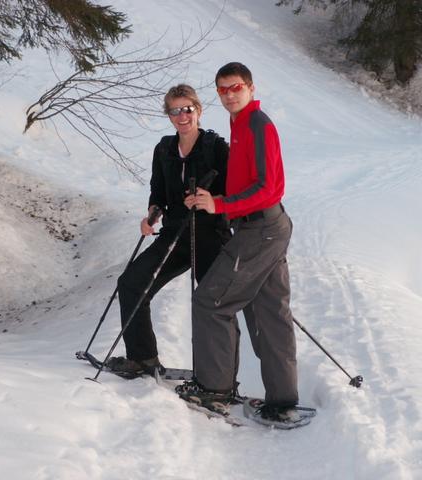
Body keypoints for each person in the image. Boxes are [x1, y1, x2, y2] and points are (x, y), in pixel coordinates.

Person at [178, 62, 300, 424]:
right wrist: (211, 198)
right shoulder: (239, 122)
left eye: (235, 87)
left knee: (210, 301)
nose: (229, 94)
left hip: (261, 230)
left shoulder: (258, 124)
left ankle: (214, 391)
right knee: (270, 313)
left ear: (250, 87)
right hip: (264, 227)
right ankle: (282, 400)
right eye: (222, 89)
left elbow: (270, 189)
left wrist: (222, 205)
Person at [107, 84, 231, 377]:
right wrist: (152, 214)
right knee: (131, 284)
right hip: (176, 235)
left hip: (210, 235)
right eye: (174, 111)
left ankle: (220, 378)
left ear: (198, 110)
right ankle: (142, 359)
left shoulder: (216, 148)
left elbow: (231, 192)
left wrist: (209, 199)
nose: (181, 116)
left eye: (187, 109)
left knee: (213, 306)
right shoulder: (164, 148)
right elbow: (158, 192)